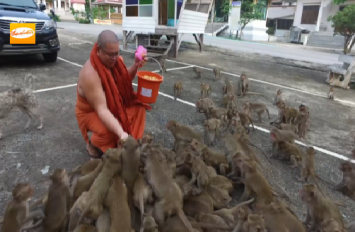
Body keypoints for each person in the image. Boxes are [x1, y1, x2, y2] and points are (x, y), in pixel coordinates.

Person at [75, 30, 151, 159]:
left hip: (110, 106)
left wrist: (136, 66)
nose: (114, 58)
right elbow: (102, 110)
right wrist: (121, 133)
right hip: (91, 112)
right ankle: (93, 143)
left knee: (138, 108)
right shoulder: (90, 74)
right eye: (110, 55)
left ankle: (129, 143)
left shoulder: (115, 61)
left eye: (117, 53)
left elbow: (124, 80)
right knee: (109, 131)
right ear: (98, 50)